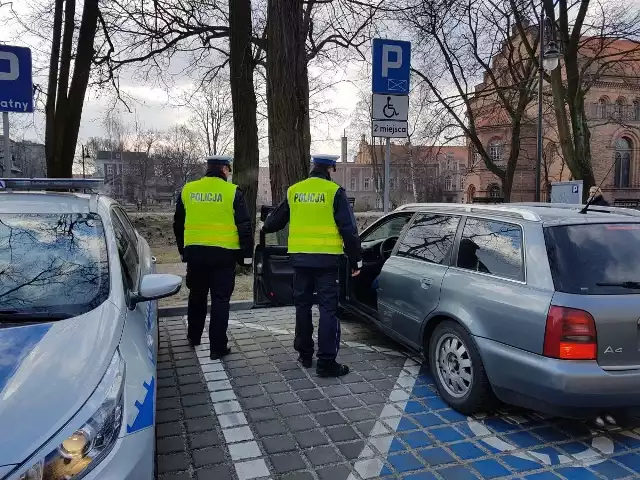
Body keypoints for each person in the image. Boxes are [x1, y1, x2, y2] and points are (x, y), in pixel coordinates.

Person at [263, 154, 362, 377]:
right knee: (328, 309)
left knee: (303, 306)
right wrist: (356, 259)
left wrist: (263, 225)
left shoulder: (294, 191)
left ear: (313, 167)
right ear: (331, 169)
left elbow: (273, 223)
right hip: (327, 262)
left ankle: (305, 355)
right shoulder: (334, 192)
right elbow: (349, 230)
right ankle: (326, 362)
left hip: (299, 262)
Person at [173, 156, 254, 360]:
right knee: (220, 300)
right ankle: (217, 347)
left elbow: (178, 223)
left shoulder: (188, 190)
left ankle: (194, 336)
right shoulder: (232, 192)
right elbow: (244, 226)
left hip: (196, 255)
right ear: (225, 169)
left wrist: (183, 249)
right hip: (223, 256)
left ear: (208, 169)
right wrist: (246, 255)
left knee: (197, 296)